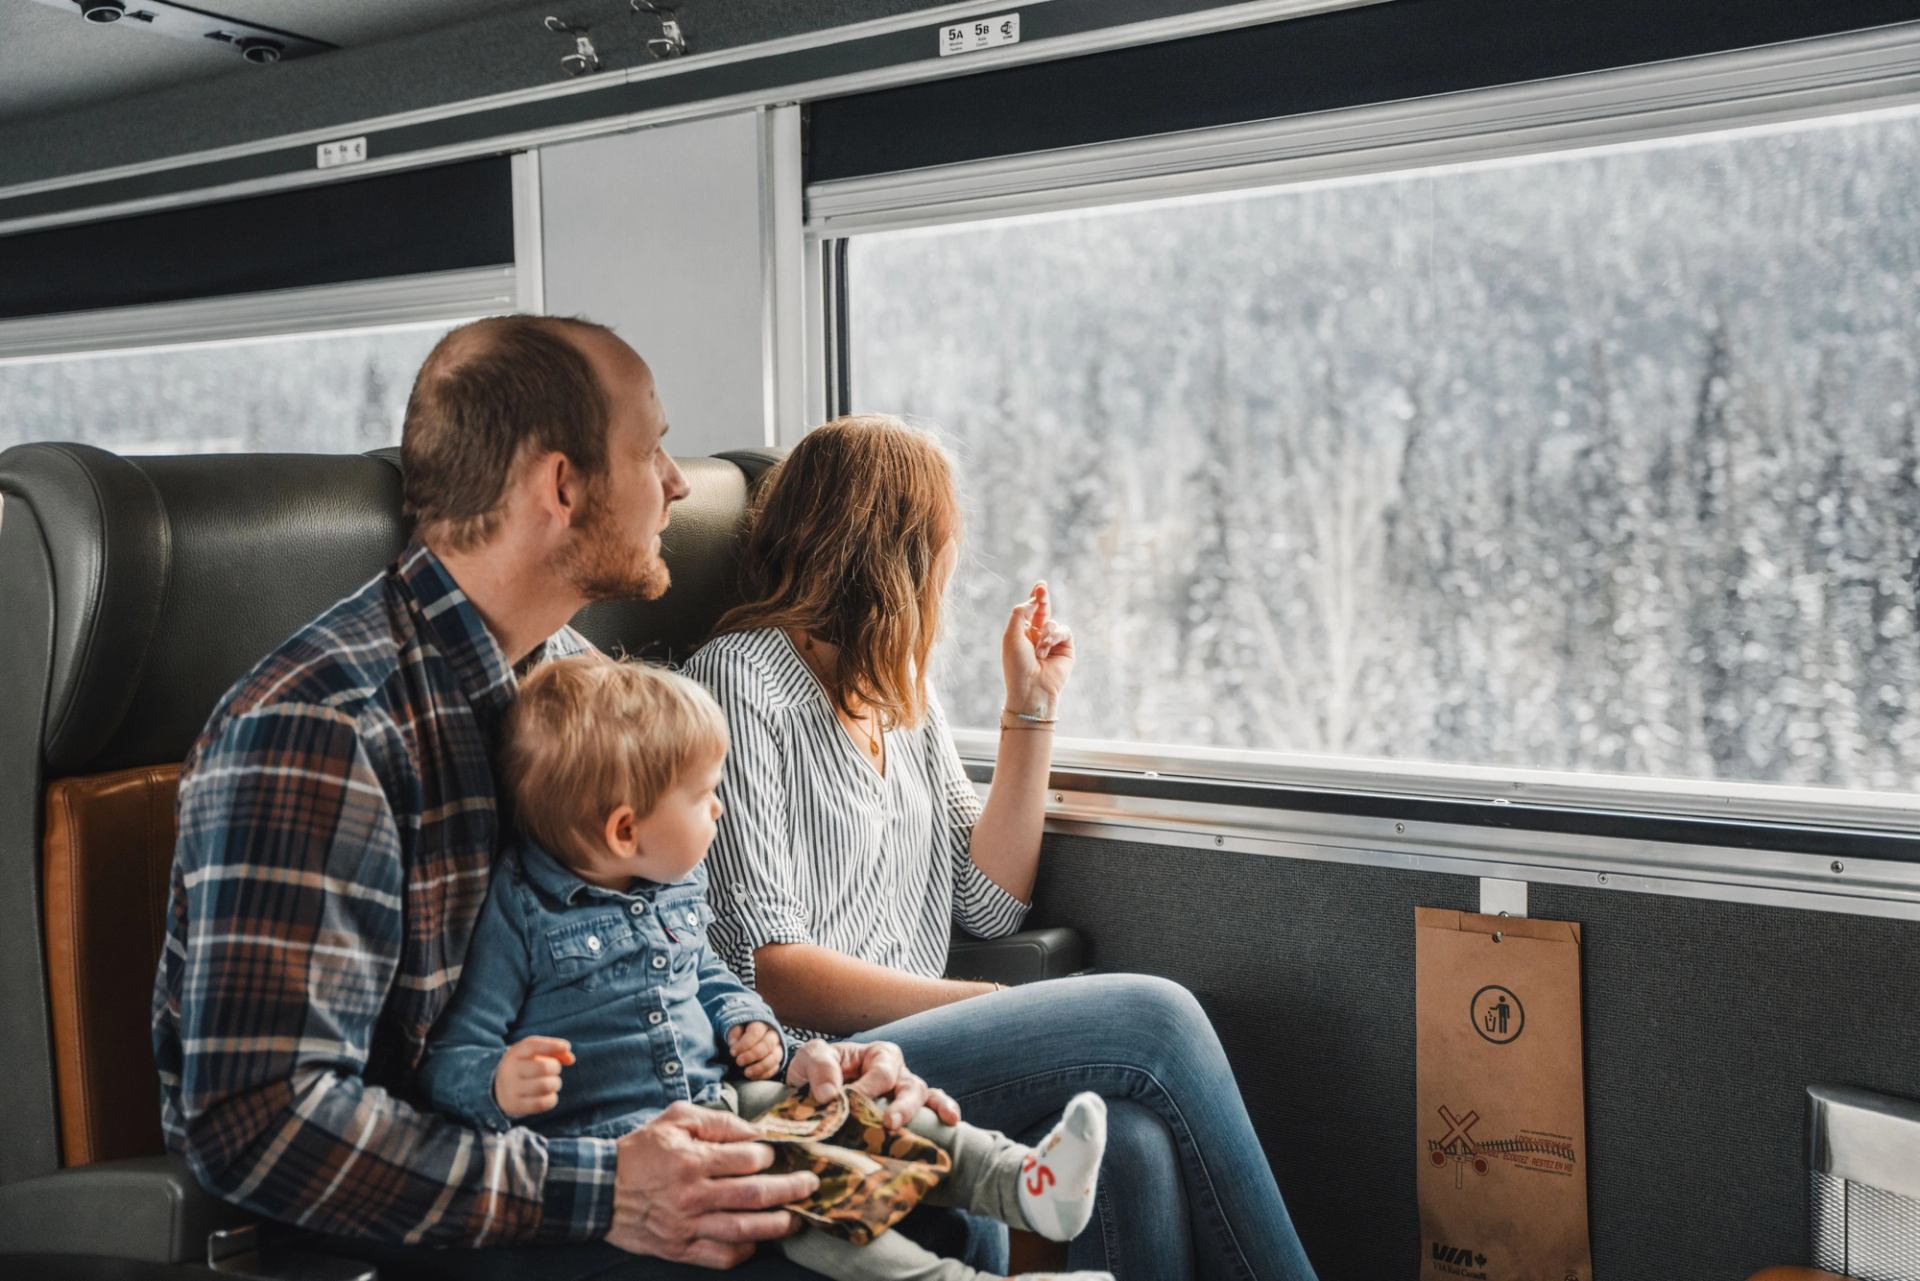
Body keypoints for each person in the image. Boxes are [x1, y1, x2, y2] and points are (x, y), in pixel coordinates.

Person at [152, 316, 960, 1279]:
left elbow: (655, 949)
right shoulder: (325, 727)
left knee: (938, 1189)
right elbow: (261, 1123)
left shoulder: (575, 685)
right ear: (562, 486)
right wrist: (606, 1184)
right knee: (1137, 1034)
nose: (672, 482)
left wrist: (791, 1058)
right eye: (650, 447)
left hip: (631, 1122)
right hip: (446, 1213)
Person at [685, 416, 1321, 1281]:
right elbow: (770, 966)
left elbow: (988, 900)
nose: (952, 567)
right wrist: (981, 1002)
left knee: (1128, 1141)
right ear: (895, 552)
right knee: (1158, 1020)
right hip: (819, 1070)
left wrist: (1031, 705)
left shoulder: (899, 690)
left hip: (918, 1047)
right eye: (944, 544)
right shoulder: (741, 678)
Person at [420, 653, 1115, 1281]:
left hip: (723, 1098)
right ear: (625, 831)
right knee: (811, 1202)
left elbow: (709, 975)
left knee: (861, 1114)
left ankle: (1026, 1183)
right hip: (635, 1146)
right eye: (702, 796)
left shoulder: (673, 887)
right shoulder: (519, 913)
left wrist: (746, 1019)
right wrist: (499, 1083)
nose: (719, 807)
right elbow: (455, 1053)